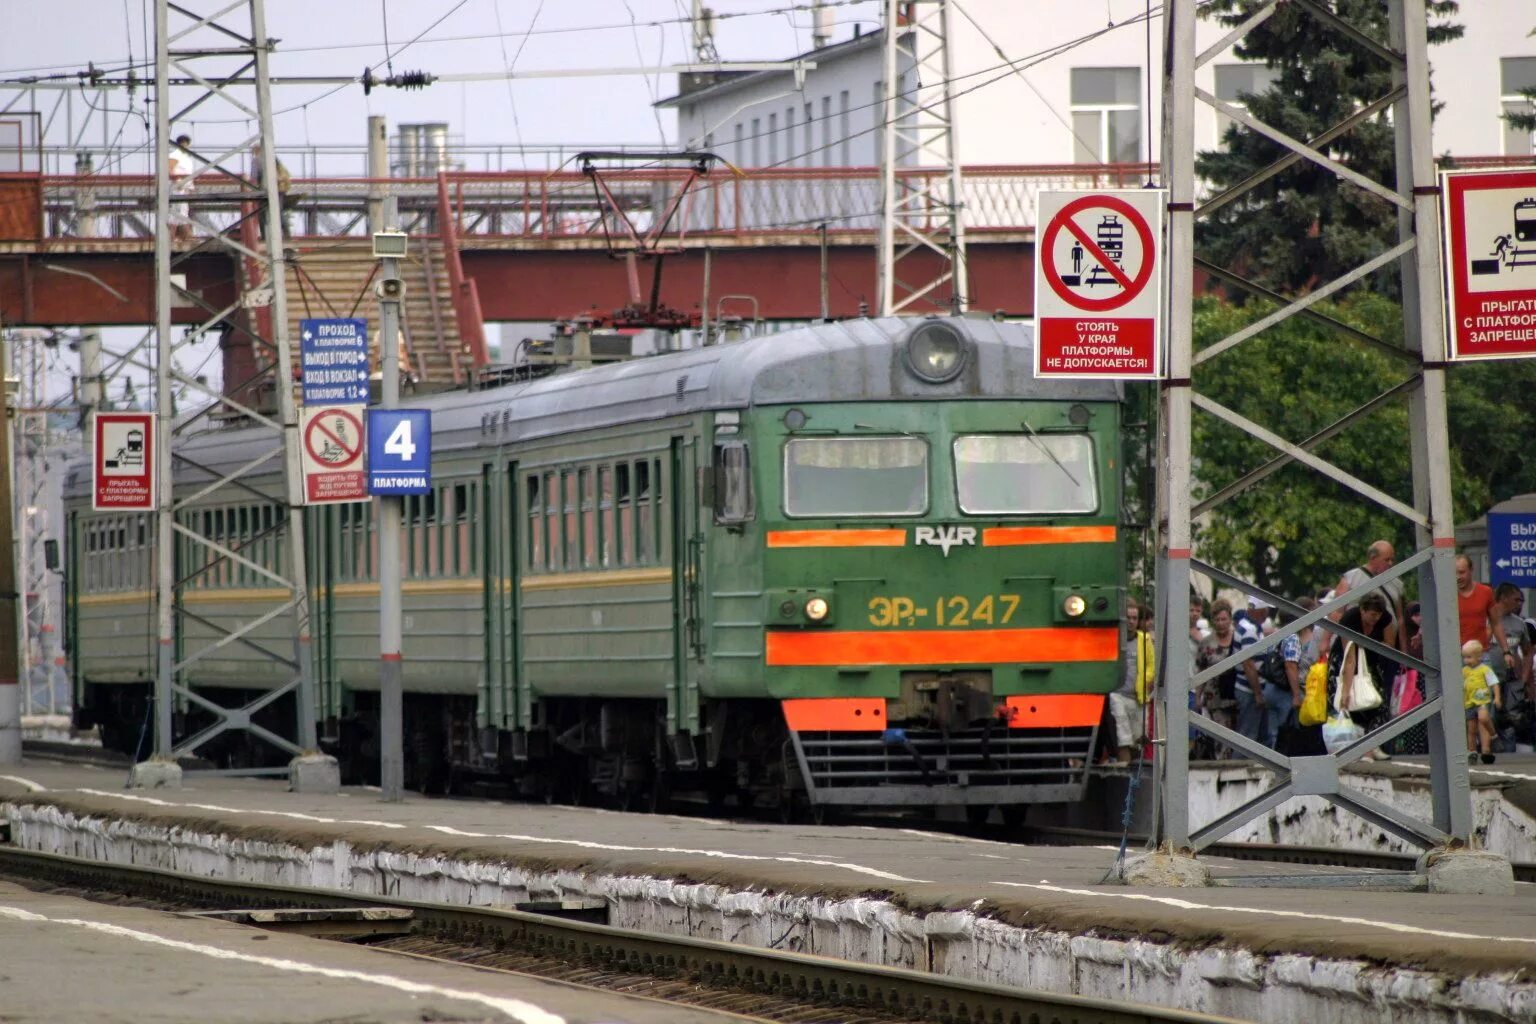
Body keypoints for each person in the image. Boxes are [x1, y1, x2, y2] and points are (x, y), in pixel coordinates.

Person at [1333, 591, 1397, 761]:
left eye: (1378, 615)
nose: (1376, 618)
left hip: (1371, 662)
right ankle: (1356, 748)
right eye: (1372, 615)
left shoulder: (1385, 619)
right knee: (1352, 703)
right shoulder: (1350, 619)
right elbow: (1349, 659)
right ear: (1362, 610)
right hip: (1346, 659)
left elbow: (1389, 644)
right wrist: (1346, 691)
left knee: (1377, 703)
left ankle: (1373, 744)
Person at [1331, 540, 1405, 650]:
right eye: (1386, 560)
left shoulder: (1396, 583)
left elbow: (1399, 619)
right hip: (1354, 642)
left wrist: (1404, 650)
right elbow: (1337, 612)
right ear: (1373, 558)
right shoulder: (1351, 578)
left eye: (1392, 559)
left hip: (1387, 645)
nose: (1390, 563)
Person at [1195, 599, 1241, 758]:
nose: (1221, 623)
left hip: (1237, 694)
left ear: (1230, 619)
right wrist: (1197, 696)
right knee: (1221, 737)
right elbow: (1200, 668)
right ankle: (1222, 764)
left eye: (1224, 619)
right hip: (1215, 697)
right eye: (1217, 620)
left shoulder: (1239, 638)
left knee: (1240, 735)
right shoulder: (1206, 643)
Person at [1456, 555, 1516, 675]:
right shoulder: (1447, 594)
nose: (1458, 577)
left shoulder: (1485, 592)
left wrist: (1506, 652)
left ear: (1471, 570)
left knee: (1484, 692)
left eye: (1461, 572)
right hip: (1454, 656)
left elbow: (1496, 623)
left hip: (1481, 655)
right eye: (1455, 573)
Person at [1111, 602, 1153, 765]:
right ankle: (1124, 770)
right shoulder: (1114, 639)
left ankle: (1135, 772)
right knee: (1123, 736)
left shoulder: (1144, 640)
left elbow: (1151, 664)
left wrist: (1146, 680)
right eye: (1128, 617)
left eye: (1134, 618)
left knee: (1138, 739)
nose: (1131, 621)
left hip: (1138, 696)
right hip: (1117, 693)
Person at [1462, 639, 1500, 765]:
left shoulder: (1484, 669)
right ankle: (1472, 751)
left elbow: (1494, 683)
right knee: (1471, 729)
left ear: (1479, 656)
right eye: (1464, 657)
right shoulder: (1464, 671)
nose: (1466, 660)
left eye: (1469, 657)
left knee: (1483, 721)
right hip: (1469, 703)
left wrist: (1497, 697)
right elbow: (1461, 685)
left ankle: (1489, 744)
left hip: (1482, 701)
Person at [168, 133, 193, 242]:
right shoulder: (175, 155)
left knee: (182, 212)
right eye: (182, 144)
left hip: (184, 188)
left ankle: (182, 237)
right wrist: (177, 182)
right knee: (176, 213)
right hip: (177, 188)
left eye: (186, 144)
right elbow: (170, 169)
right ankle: (180, 237)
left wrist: (189, 187)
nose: (184, 146)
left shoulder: (188, 158)